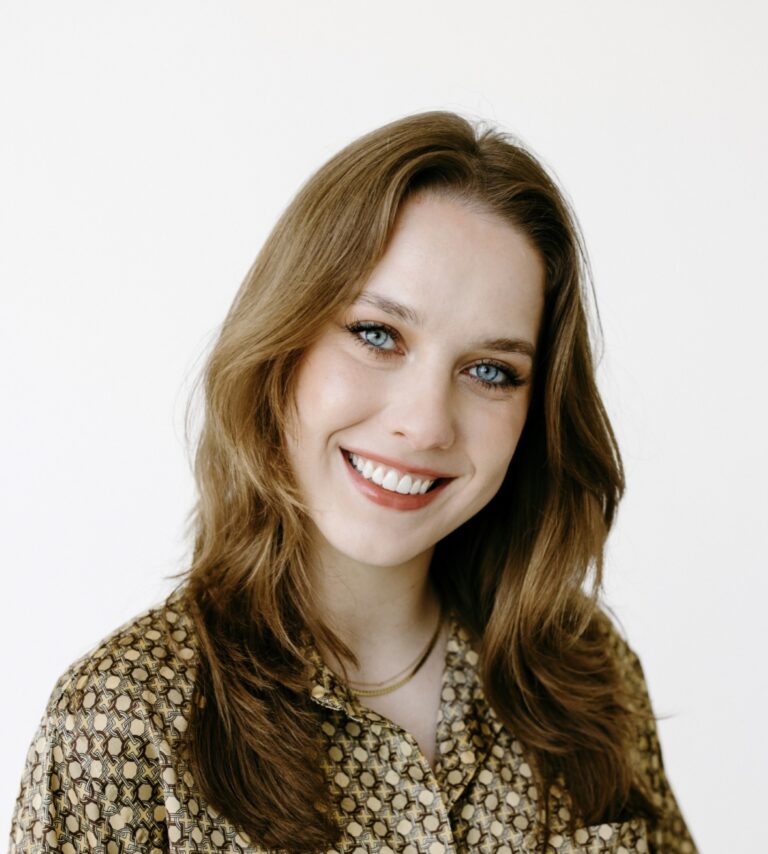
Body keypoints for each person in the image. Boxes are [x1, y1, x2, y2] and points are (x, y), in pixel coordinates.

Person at [8, 111, 697, 854]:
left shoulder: (586, 672)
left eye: (491, 371)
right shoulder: (123, 722)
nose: (427, 422)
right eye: (378, 335)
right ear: (285, 345)